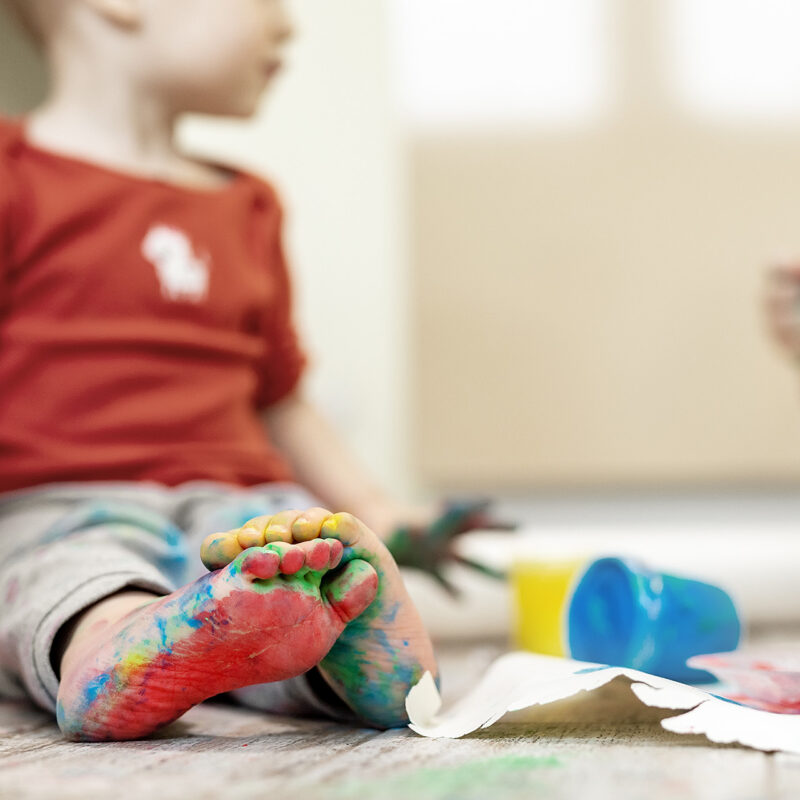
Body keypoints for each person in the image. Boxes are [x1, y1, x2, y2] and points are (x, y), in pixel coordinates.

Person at [0, 0, 440, 742]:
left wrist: (380, 508)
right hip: (64, 501)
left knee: (304, 567)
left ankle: (335, 660)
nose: (289, 25)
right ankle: (121, 644)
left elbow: (282, 395)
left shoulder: (249, 206)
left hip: (243, 505)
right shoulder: (14, 177)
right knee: (63, 574)